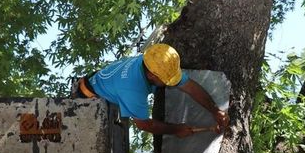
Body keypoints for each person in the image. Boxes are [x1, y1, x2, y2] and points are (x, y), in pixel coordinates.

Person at [74, 44, 229, 138]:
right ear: (151, 75)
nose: (169, 83)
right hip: (88, 100)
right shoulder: (132, 89)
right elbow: (144, 125)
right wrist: (177, 129)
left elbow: (189, 86)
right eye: (165, 80)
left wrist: (214, 110)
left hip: (104, 87)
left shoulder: (154, 60)